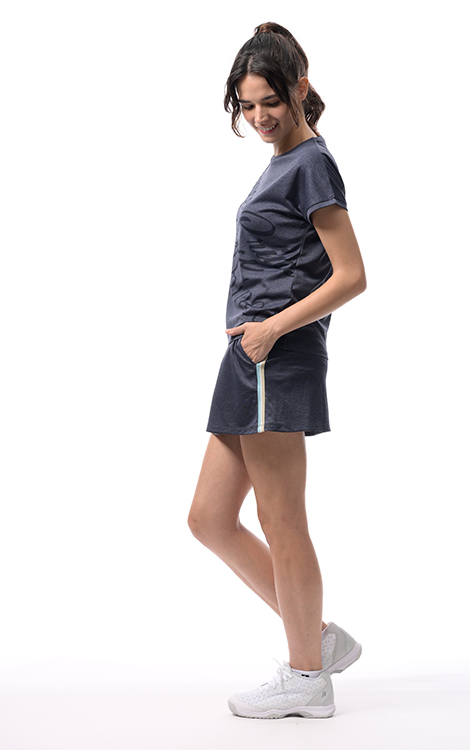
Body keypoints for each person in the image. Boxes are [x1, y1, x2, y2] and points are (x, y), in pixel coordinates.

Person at [188, 22, 366, 720]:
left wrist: (270, 329)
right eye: (247, 104)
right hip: (248, 359)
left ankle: (306, 676)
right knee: (209, 518)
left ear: (298, 90)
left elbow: (351, 276)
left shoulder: (310, 163)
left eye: (270, 101)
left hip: (275, 357)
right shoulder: (283, 160)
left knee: (281, 519)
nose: (259, 116)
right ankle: (316, 638)